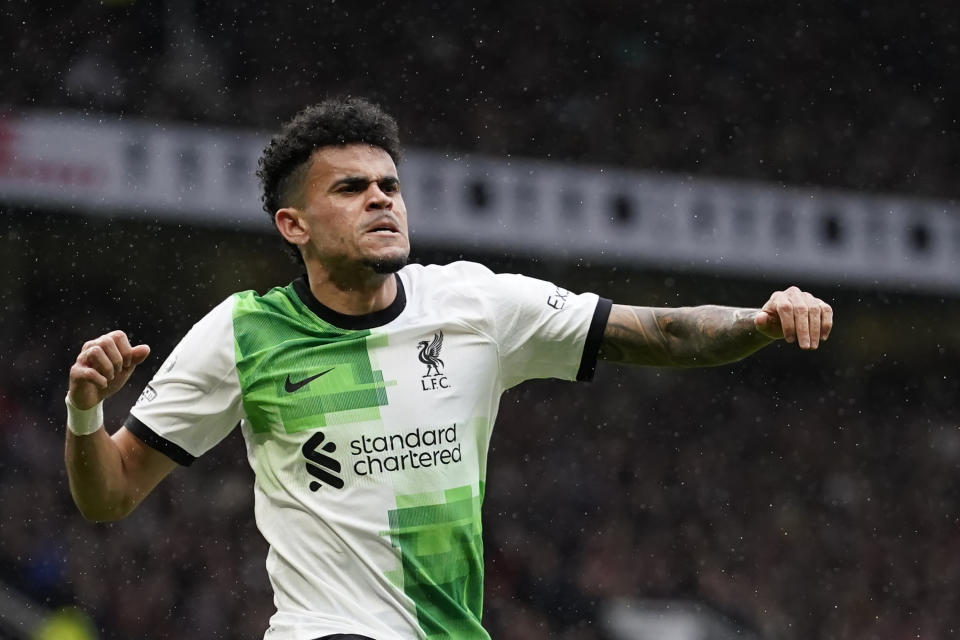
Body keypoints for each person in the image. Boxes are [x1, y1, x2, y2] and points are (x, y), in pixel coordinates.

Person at [64, 97, 833, 640]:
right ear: (292, 224)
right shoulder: (243, 333)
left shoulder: (475, 304)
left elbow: (663, 333)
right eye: (352, 188)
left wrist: (759, 322)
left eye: (390, 186)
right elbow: (111, 494)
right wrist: (85, 412)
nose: (381, 200)